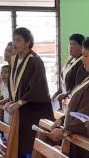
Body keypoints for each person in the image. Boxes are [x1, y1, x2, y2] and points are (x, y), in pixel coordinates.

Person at [47, 36, 89, 158]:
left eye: (86, 55)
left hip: (86, 140)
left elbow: (88, 113)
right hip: (78, 134)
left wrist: (63, 131)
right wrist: (62, 120)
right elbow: (79, 105)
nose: (82, 59)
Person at [4, 27, 54, 158]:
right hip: (21, 110)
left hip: (33, 110)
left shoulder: (34, 61)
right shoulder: (16, 60)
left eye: (19, 40)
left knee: (29, 146)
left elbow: (37, 88)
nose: (15, 43)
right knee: (19, 144)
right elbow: (16, 85)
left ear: (27, 42)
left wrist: (19, 102)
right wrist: (12, 100)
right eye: (14, 40)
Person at [52, 34, 89, 110]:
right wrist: (58, 92)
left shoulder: (82, 63)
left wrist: (65, 94)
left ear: (82, 47)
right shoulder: (70, 59)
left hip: (73, 101)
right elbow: (64, 80)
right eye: (70, 44)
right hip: (64, 100)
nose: (71, 46)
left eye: (74, 44)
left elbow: (78, 86)